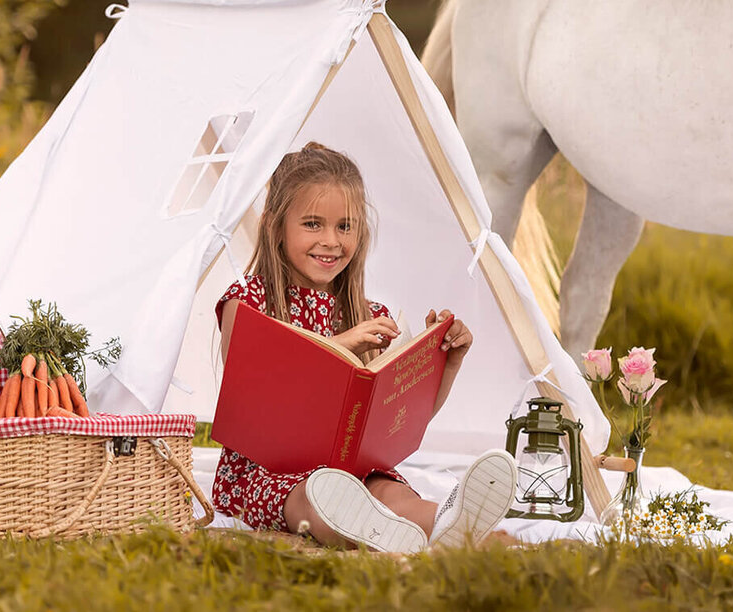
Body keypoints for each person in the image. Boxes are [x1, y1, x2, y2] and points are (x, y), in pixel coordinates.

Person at [212, 142, 517, 552]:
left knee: (395, 497)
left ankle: (453, 526)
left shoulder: (369, 313)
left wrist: (444, 363)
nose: (331, 241)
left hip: (356, 471)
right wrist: (338, 346)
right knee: (320, 501)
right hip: (273, 474)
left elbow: (405, 417)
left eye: (345, 226)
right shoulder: (248, 303)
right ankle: (384, 533)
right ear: (274, 226)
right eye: (313, 224)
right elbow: (248, 398)